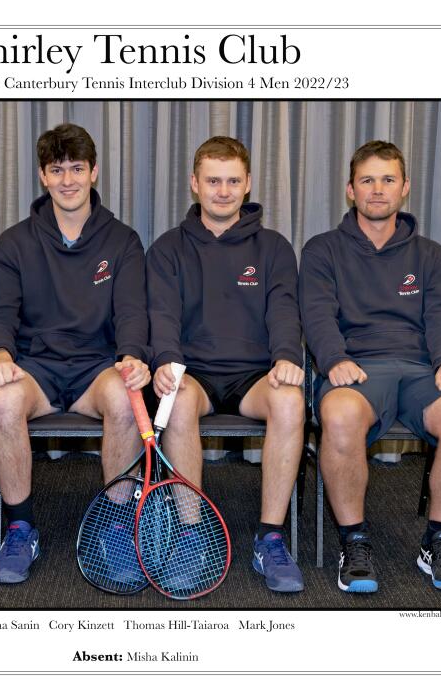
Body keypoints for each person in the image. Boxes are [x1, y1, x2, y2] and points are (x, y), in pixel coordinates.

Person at [299, 140, 441, 593]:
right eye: (367, 180)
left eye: (387, 180)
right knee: (340, 414)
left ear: (405, 187)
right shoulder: (323, 250)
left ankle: (437, 541)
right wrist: (334, 359)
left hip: (421, 371)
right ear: (350, 189)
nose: (377, 189)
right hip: (357, 369)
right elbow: (317, 315)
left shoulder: (431, 255)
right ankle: (354, 542)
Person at [0, 123, 150, 585]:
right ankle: (20, 529)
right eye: (57, 170)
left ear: (94, 172)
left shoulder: (122, 241)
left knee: (125, 398)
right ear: (43, 176)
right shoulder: (15, 242)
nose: (68, 180)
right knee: (1, 401)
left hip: (98, 367)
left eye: (77, 168)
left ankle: (119, 527)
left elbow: (132, 312)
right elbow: (0, 313)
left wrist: (133, 355)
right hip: (37, 367)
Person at [147, 136, 305, 593]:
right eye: (213, 181)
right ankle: (190, 534)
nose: (223, 191)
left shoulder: (273, 248)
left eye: (233, 181)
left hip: (255, 374)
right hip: (193, 372)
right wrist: (166, 361)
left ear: (248, 183)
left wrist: (287, 356)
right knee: (177, 400)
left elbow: (284, 310)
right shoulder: (168, 248)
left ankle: (270, 538)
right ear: (195, 184)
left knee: (290, 401)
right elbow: (161, 315)